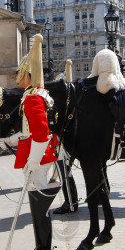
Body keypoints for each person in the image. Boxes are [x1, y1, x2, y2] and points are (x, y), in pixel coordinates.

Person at [0, 34, 60, 250]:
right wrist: (10, 140)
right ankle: (40, 248)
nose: (17, 77)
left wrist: (33, 162)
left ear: (27, 75)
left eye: (19, 73)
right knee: (37, 207)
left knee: (39, 207)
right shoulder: (34, 95)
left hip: (39, 159)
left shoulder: (33, 98)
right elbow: (29, 132)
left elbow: (41, 134)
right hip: (38, 156)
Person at [53, 60, 78, 215]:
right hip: (63, 140)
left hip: (63, 142)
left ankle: (71, 202)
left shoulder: (66, 103)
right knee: (65, 172)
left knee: (65, 172)